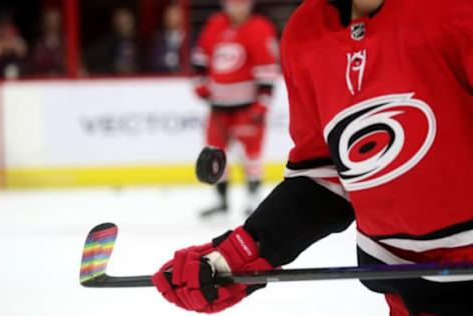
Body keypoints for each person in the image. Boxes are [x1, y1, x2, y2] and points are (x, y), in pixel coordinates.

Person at [152, 0, 473, 315]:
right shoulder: (305, 32)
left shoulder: (457, 12)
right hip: (403, 290)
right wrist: (245, 250)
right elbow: (327, 171)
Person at [191, 0, 280, 218]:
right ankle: (222, 200)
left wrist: (263, 103)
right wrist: (200, 83)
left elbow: (268, 68)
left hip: (246, 107)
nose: (236, 8)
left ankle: (253, 197)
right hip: (218, 106)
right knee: (214, 152)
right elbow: (201, 58)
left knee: (251, 154)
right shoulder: (216, 23)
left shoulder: (260, 27)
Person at [84, 8, 139, 75]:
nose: (123, 24)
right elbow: (87, 58)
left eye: (126, 21)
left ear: (133, 21)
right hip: (114, 82)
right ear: (114, 23)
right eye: (119, 21)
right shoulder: (107, 43)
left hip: (140, 82)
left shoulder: (142, 43)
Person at [146, 2, 186, 73]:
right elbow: (151, 62)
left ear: (180, 17)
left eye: (174, 15)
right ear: (164, 18)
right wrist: (164, 61)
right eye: (169, 15)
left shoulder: (188, 38)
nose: (171, 18)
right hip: (163, 79)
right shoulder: (157, 39)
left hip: (182, 79)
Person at [28, 8, 65, 76]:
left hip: (62, 80)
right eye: (50, 20)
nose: (53, 23)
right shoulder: (39, 45)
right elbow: (35, 65)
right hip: (44, 81)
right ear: (45, 22)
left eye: (55, 20)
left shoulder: (66, 43)